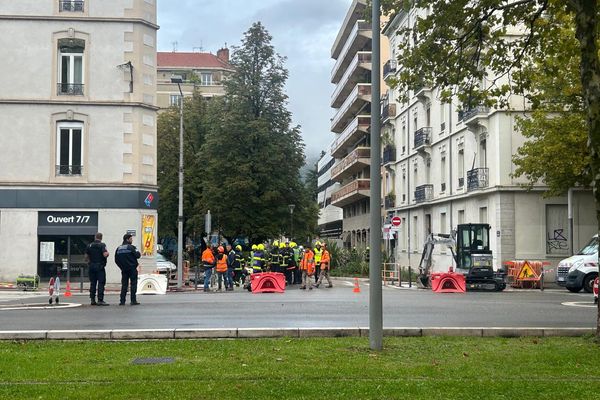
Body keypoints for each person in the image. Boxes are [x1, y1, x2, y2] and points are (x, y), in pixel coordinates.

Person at [114, 233, 141, 306]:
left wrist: (121, 267)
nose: (132, 240)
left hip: (124, 269)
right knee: (133, 284)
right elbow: (138, 255)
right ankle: (133, 300)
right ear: (127, 239)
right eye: (131, 239)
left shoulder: (118, 248)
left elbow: (116, 260)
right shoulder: (131, 247)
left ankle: (122, 301)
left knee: (124, 285)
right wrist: (137, 251)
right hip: (132, 268)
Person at [85, 232, 110, 306]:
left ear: (95, 237)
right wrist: (107, 254)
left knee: (93, 283)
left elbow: (86, 257)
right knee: (101, 283)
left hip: (91, 266)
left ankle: (92, 300)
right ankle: (100, 300)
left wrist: (89, 262)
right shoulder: (102, 245)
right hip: (100, 267)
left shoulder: (89, 245)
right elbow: (105, 254)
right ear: (101, 238)